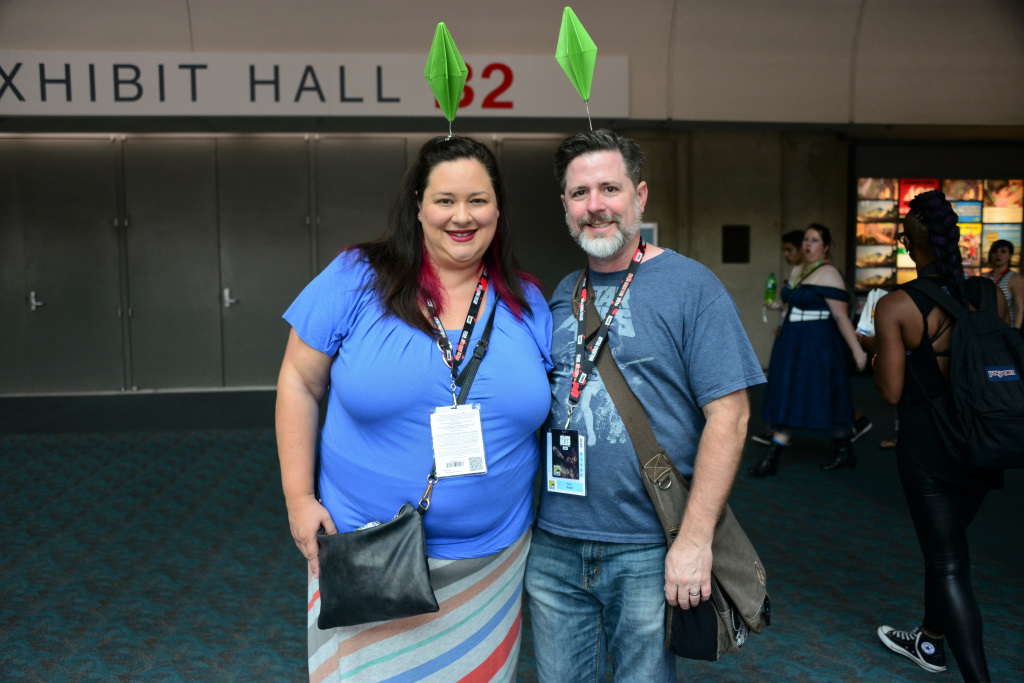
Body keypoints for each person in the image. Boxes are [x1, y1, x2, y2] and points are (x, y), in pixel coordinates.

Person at [275, 136, 554, 682]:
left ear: (498, 209)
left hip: (491, 562)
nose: (462, 216)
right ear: (418, 206)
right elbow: (299, 382)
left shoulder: (526, 300)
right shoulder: (357, 276)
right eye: (445, 200)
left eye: (478, 200)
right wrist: (298, 499)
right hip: (370, 554)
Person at [524, 129, 765, 681]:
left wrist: (694, 540)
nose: (595, 205)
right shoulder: (563, 292)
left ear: (640, 195)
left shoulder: (692, 286)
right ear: (565, 205)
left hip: (648, 546)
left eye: (610, 188)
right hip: (556, 544)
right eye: (580, 193)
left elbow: (731, 417)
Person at [863, 190, 1005, 682]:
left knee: (948, 562)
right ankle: (929, 638)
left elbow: (891, 391)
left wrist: (878, 353)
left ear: (907, 242)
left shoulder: (896, 306)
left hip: (929, 448)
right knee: (948, 545)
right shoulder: (991, 294)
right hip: (984, 441)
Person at [749, 224, 869, 477]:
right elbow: (792, 306)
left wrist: (857, 351)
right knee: (794, 390)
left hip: (817, 343)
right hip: (793, 341)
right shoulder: (798, 270)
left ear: (825, 246)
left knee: (821, 392)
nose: (808, 244)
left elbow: (841, 316)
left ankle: (772, 457)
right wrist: (777, 307)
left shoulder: (830, 274)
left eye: (814, 240)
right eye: (806, 239)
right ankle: (844, 449)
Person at [983, 238, 1022, 330]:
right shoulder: (984, 277)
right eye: (995, 251)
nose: (998, 254)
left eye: (1003, 251)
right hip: (985, 328)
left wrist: (1016, 330)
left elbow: (1019, 307)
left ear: (1010, 255)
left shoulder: (1015, 278)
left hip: (1006, 329)